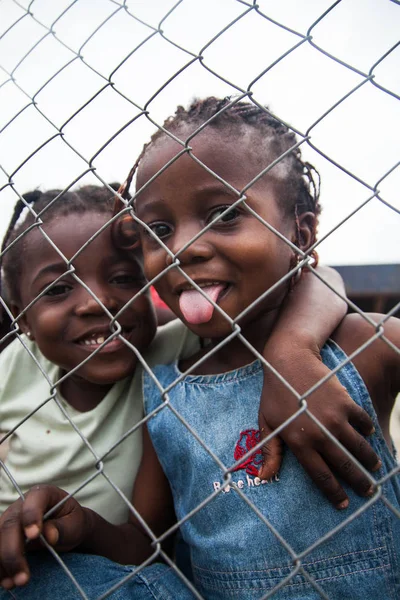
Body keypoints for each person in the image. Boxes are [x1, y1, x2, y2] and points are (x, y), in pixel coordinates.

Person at [0, 98, 396, 600]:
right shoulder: (166, 387)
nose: (184, 247)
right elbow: (142, 549)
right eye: (159, 231)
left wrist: (294, 354)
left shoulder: (361, 347)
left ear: (301, 231)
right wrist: (81, 526)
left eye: (224, 215)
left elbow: (322, 279)